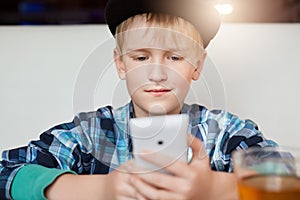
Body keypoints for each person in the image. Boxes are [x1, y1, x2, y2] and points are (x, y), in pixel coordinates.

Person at [0, 0, 276, 199]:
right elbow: (6, 173)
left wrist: (215, 188)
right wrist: (102, 189)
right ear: (121, 65)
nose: (157, 73)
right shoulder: (89, 134)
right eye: (141, 58)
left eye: (175, 58)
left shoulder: (227, 133)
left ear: (197, 66)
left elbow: (284, 179)